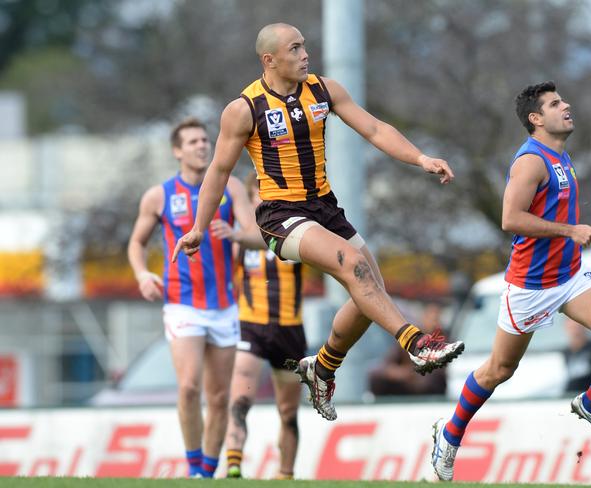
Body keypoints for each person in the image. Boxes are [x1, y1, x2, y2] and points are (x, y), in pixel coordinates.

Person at [171, 23, 464, 422]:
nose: (305, 54)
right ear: (269, 60)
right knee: (353, 265)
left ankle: (322, 368)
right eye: (295, 49)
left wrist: (421, 159)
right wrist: (198, 228)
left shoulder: (323, 90)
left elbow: (375, 128)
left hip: (324, 207)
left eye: (304, 46)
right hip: (280, 215)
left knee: (369, 292)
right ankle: (416, 344)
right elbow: (219, 172)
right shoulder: (245, 108)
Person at [431, 81, 591, 481]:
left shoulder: (561, 154)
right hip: (530, 285)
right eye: (556, 103)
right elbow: (510, 219)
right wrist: (569, 230)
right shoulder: (530, 161)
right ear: (535, 119)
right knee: (499, 369)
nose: (567, 105)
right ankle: (450, 436)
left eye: (563, 100)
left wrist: (570, 239)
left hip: (571, 274)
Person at [127, 117, 260, 478]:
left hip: (224, 307)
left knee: (219, 398)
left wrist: (235, 233)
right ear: (177, 151)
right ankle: (192, 466)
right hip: (182, 303)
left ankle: (206, 473)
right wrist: (142, 274)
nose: (202, 145)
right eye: (193, 142)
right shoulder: (160, 196)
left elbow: (257, 235)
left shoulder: (230, 188)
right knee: (188, 388)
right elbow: (136, 243)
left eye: (205, 139)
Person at [221, 172, 306, 480]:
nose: (262, 199)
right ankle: (233, 462)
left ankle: (286, 474)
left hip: (289, 330)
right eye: (256, 193)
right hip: (251, 326)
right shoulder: (240, 238)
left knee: (288, 411)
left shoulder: (294, 232)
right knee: (241, 397)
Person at [368, 303, 447, 396]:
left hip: (427, 387)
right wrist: (401, 373)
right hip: (406, 382)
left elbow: (438, 374)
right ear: (424, 318)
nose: (434, 324)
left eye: (437, 319)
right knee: (376, 377)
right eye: (432, 319)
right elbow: (385, 366)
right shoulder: (411, 338)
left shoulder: (444, 342)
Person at [563, 317, 591, 392]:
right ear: (566, 326)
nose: (575, 328)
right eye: (572, 325)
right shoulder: (564, 354)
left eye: (577, 324)